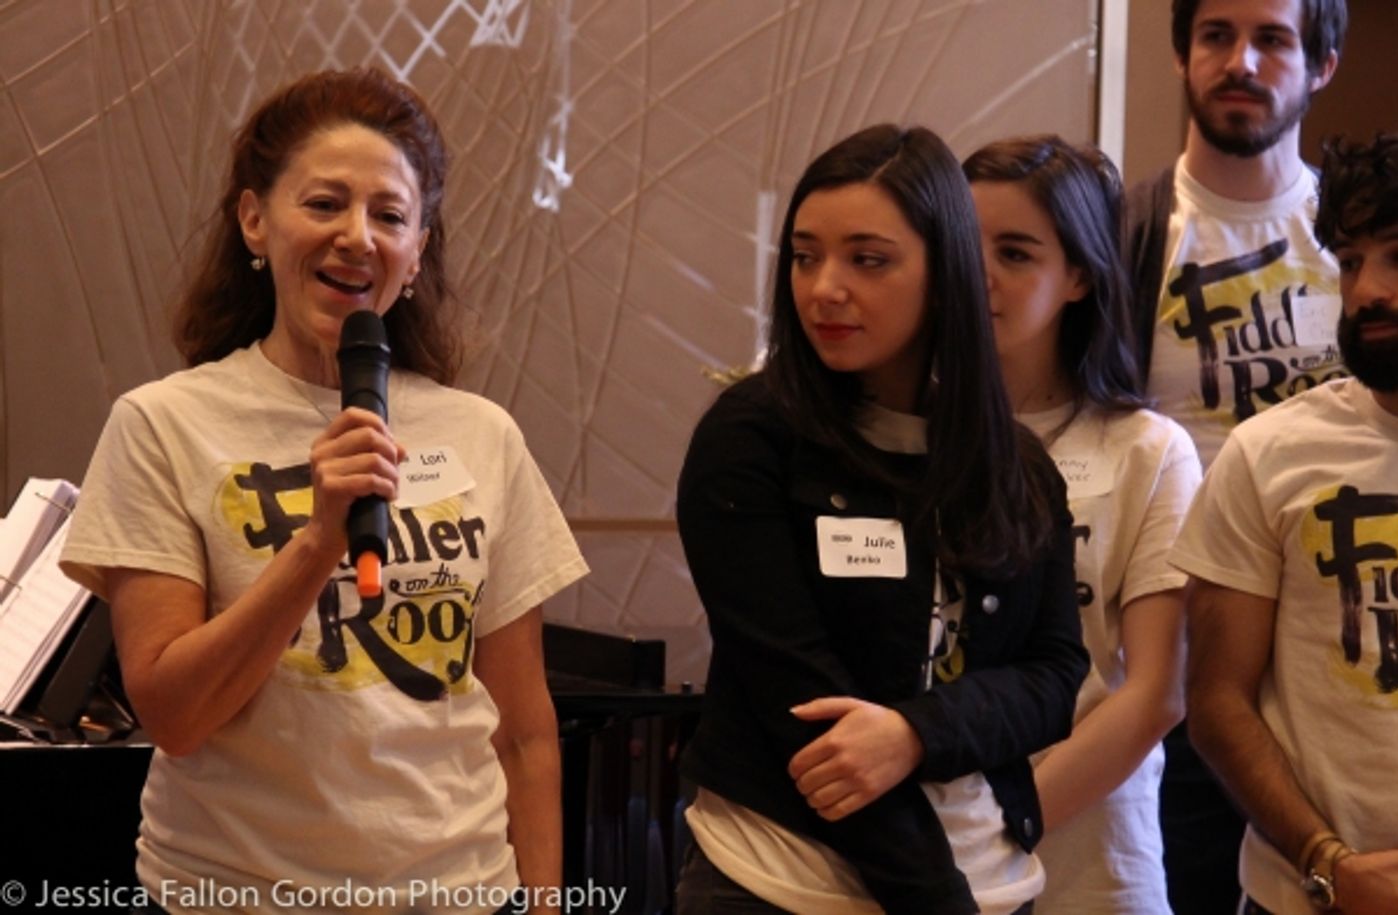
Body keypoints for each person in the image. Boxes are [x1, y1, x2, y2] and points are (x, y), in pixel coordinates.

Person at [59, 68, 587, 915]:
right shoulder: (163, 425)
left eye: (390, 216)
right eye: (325, 204)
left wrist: (547, 904)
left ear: (417, 251)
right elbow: (174, 716)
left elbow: (524, 732)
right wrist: (317, 541)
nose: (357, 237)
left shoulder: (483, 434)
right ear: (254, 219)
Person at [673, 124, 1089, 915]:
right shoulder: (751, 440)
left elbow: (1053, 677)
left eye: (868, 260)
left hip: (991, 875)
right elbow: (806, 714)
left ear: (945, 272)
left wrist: (917, 731)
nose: (825, 288)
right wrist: (938, 901)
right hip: (780, 879)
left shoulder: (1016, 463)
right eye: (806, 257)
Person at [1122, 2, 1348, 908]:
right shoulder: (1128, 236)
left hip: (1334, 666)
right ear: (1183, 54)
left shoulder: (1361, 246)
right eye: (1216, 35)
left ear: (1322, 64)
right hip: (1172, 671)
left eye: (1273, 39)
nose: (1241, 62)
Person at [964, 136, 1202, 914]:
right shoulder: (908, 434)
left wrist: (1001, 825)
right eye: (963, 244)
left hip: (1094, 864)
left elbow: (1157, 691)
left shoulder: (1149, 450)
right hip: (918, 851)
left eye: (1015, 253)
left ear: (1079, 275)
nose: (980, 274)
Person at [1171, 132, 1398, 915]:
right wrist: (1330, 863)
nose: (1368, 290)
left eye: (1397, 257)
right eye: (1351, 260)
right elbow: (1216, 701)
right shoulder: (1268, 453)